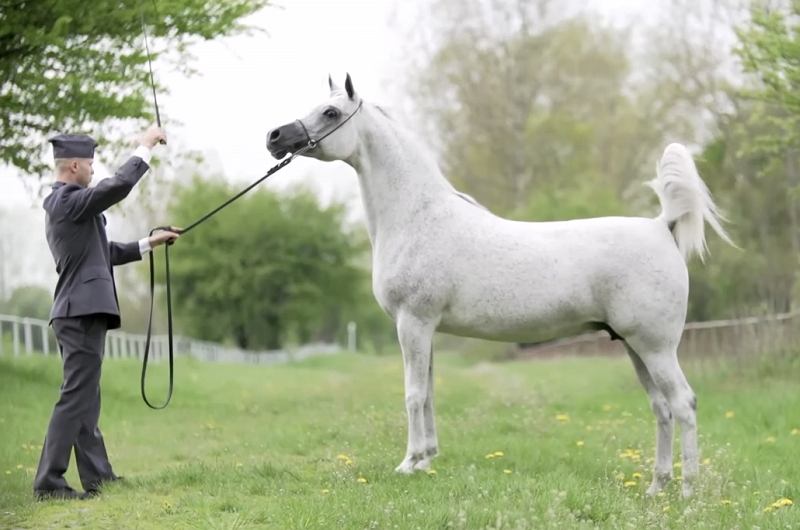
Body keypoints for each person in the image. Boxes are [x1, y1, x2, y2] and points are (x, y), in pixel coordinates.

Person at [33, 125, 180, 500]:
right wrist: (144, 147)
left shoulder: (72, 207)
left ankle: (98, 477)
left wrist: (150, 242)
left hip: (80, 312)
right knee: (75, 396)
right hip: (79, 313)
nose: (94, 171)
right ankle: (49, 483)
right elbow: (115, 187)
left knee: (85, 397)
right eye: (91, 165)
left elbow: (106, 253)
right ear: (75, 166)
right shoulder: (67, 201)